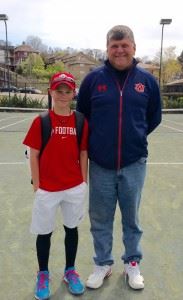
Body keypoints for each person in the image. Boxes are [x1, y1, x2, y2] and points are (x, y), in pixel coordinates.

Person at [77, 25, 162, 290]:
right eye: (114, 46)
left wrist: (134, 137)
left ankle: (132, 264)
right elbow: (83, 117)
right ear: (107, 49)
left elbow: (154, 116)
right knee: (100, 219)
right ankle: (103, 263)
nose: (120, 50)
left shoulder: (147, 81)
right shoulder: (93, 80)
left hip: (134, 163)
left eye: (124, 45)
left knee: (131, 219)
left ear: (134, 47)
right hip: (100, 164)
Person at [23, 71, 88, 299]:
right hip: (47, 190)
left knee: (72, 229)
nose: (62, 95)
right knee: (44, 233)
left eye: (67, 91)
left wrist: (83, 182)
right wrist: (37, 186)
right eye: (58, 90)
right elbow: (33, 155)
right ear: (51, 92)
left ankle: (70, 271)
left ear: (73, 93)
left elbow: (83, 153)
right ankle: (43, 274)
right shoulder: (41, 121)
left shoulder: (80, 120)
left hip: (73, 188)